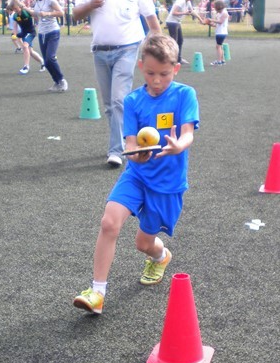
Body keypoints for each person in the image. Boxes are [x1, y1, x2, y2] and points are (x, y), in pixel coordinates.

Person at [72, 34, 198, 315]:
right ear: (141, 66)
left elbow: (188, 133)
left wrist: (179, 145)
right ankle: (97, 293)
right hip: (137, 175)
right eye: (151, 73)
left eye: (164, 74)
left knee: (143, 243)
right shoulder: (133, 101)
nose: (157, 80)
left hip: (167, 184)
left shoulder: (184, 95)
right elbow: (130, 143)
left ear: (176, 69)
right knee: (109, 223)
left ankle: (160, 256)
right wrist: (136, 155)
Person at [72, 0, 161, 168]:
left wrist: (159, 49)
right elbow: (75, 15)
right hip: (99, 51)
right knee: (110, 106)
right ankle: (125, 138)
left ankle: (116, 151)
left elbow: (152, 20)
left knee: (119, 100)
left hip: (128, 48)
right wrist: (90, 5)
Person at [31, 0, 68, 92]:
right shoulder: (36, 0)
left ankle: (62, 80)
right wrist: (25, 9)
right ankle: (56, 82)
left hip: (52, 31)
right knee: (46, 62)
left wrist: (47, 13)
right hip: (42, 33)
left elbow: (61, 12)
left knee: (50, 58)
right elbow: (36, 14)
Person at [8, 0, 44, 74]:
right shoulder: (15, 16)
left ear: (19, 6)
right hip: (24, 33)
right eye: (13, 9)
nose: (15, 10)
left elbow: (35, 15)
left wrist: (26, 8)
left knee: (25, 46)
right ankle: (43, 62)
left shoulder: (25, 12)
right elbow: (15, 27)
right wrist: (14, 34)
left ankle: (26, 66)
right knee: (30, 52)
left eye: (16, 8)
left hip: (31, 32)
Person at [165, 0, 199, 64]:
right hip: (172, 22)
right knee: (174, 42)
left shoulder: (188, 2)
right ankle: (171, 59)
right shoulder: (181, 1)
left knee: (180, 40)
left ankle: (178, 59)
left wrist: (200, 19)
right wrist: (185, 13)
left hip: (177, 22)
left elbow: (192, 11)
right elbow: (174, 12)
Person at [206, 0, 229, 66]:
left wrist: (211, 20)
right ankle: (222, 60)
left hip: (221, 33)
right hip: (219, 32)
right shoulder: (219, 14)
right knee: (219, 46)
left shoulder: (224, 13)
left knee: (218, 47)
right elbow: (217, 24)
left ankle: (219, 61)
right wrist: (209, 23)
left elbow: (220, 22)